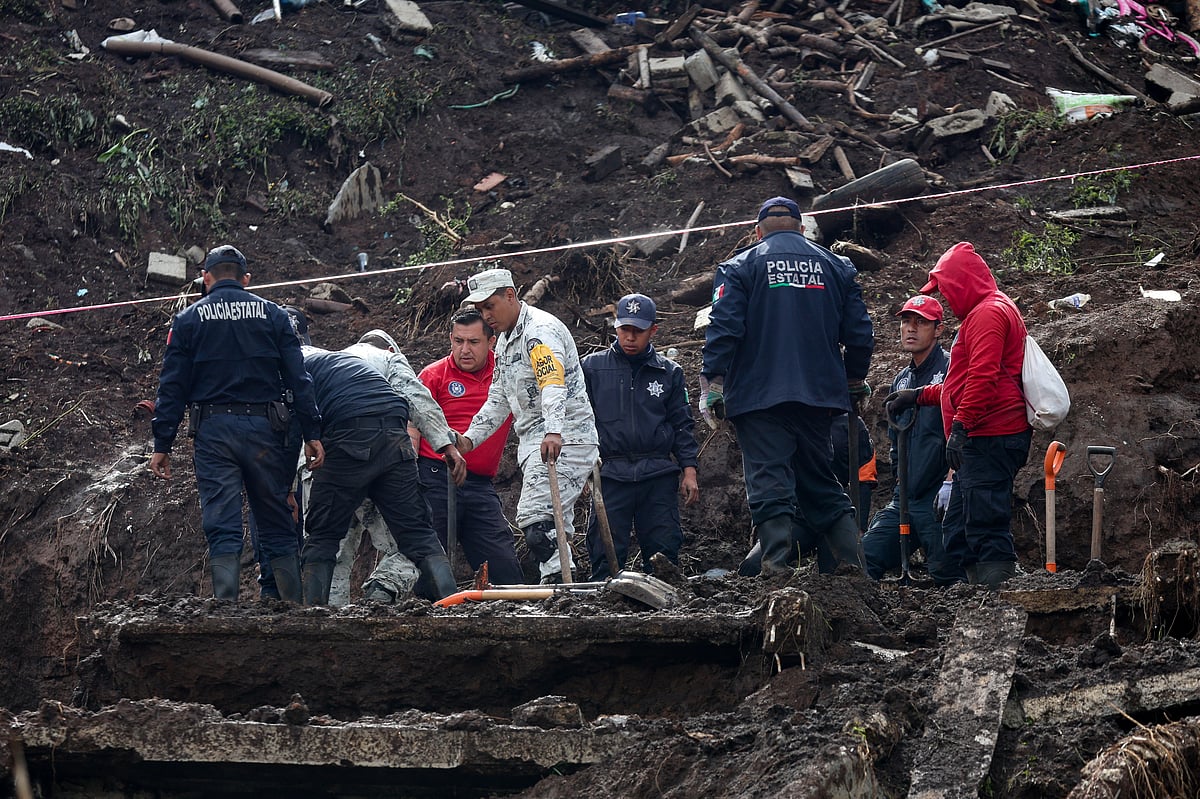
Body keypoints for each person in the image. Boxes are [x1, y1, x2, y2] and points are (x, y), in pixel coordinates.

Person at [700, 196, 874, 577]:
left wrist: (712, 382)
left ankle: (775, 565)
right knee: (818, 479)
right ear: (800, 229)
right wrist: (854, 379)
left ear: (758, 231)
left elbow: (724, 329)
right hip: (819, 397)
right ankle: (850, 561)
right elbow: (860, 333)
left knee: (767, 475)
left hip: (759, 397)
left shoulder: (739, 266)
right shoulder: (836, 266)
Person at [149, 245, 324, 602]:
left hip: (214, 433)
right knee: (276, 518)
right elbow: (299, 379)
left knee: (222, 520)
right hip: (266, 432)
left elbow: (172, 387)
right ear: (245, 280)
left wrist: (162, 444)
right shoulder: (274, 316)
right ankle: (294, 610)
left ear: (206, 278)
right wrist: (312, 432)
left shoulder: (187, 321)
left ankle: (225, 607)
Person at [886, 242, 1031, 589]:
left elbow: (984, 377)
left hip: (992, 434)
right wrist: (918, 395)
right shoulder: (986, 311)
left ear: (962, 282)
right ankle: (978, 596)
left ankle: (993, 602)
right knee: (958, 529)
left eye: (947, 290)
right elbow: (960, 384)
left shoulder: (988, 314)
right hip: (984, 435)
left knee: (984, 524)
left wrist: (962, 427)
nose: (947, 300)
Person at [458, 267, 599, 584]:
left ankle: (560, 585)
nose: (485, 316)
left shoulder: (539, 332)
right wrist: (468, 440)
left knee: (536, 521)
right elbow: (498, 399)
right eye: (480, 310)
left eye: (489, 306)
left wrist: (553, 430)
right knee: (545, 523)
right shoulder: (506, 342)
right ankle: (561, 584)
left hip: (566, 436)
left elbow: (553, 383)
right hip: (536, 442)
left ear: (510, 295)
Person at [299, 347, 466, 605]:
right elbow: (417, 398)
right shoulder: (380, 360)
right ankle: (455, 609)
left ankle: (312, 618)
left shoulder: (292, 364)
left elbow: (287, 433)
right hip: (394, 439)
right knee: (418, 534)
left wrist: (286, 489)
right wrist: (446, 444)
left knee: (323, 537)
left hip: (344, 442)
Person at [581, 293, 699, 579]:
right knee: (605, 553)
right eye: (625, 330)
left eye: (638, 331)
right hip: (609, 474)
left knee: (663, 552)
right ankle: (602, 616)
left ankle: (664, 616)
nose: (630, 338)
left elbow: (682, 423)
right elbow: (579, 422)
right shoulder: (591, 368)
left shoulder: (669, 372)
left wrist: (689, 471)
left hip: (657, 473)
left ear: (653, 330)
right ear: (615, 327)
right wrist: (581, 468)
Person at [410, 309, 523, 586]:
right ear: (450, 339)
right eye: (458, 341)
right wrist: (409, 476)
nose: (464, 350)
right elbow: (412, 427)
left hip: (480, 485)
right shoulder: (433, 375)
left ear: (491, 342)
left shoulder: (506, 373)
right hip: (434, 478)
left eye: (473, 342)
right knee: (428, 563)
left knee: (503, 566)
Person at [862, 295, 958, 584]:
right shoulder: (901, 380)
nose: (911, 329)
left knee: (949, 575)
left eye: (921, 322)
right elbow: (895, 439)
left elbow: (964, 430)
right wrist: (899, 485)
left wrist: (952, 482)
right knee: (863, 560)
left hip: (940, 495)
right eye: (906, 321)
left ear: (939, 329)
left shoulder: (952, 371)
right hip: (904, 498)